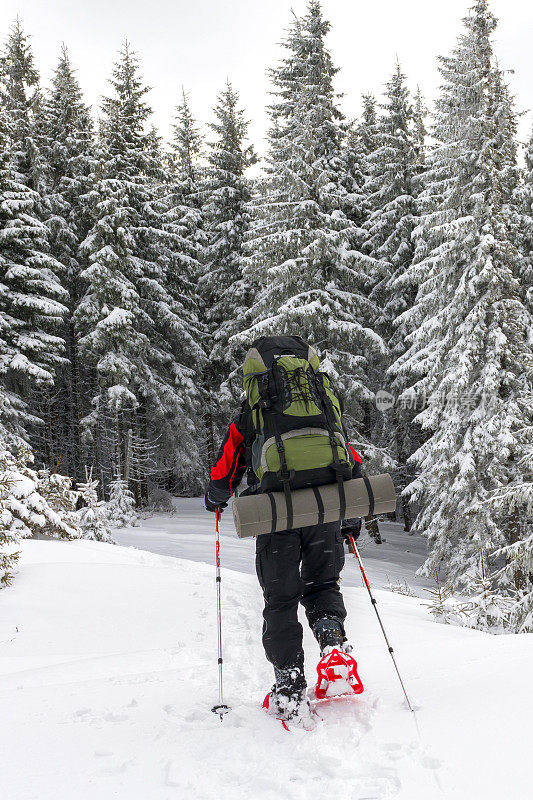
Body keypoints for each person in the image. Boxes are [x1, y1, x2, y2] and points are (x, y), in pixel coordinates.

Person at [204, 335, 363, 724]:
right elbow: (348, 452)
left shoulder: (255, 408)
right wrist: (350, 512)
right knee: (324, 586)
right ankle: (332, 647)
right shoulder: (323, 401)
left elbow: (228, 463)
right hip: (324, 510)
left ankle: (290, 686)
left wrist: (215, 495)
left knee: (280, 600)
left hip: (276, 516)